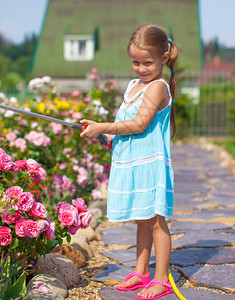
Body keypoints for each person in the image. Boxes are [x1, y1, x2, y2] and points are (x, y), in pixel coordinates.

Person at [80, 24, 178, 299]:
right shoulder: (133, 86)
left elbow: (138, 124)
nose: (141, 68)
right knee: (142, 220)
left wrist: (103, 126)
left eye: (148, 62)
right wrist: (104, 136)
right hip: (132, 161)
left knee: (156, 221)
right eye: (135, 62)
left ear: (164, 58)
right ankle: (141, 271)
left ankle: (161, 279)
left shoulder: (158, 88)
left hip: (150, 164)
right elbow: (125, 128)